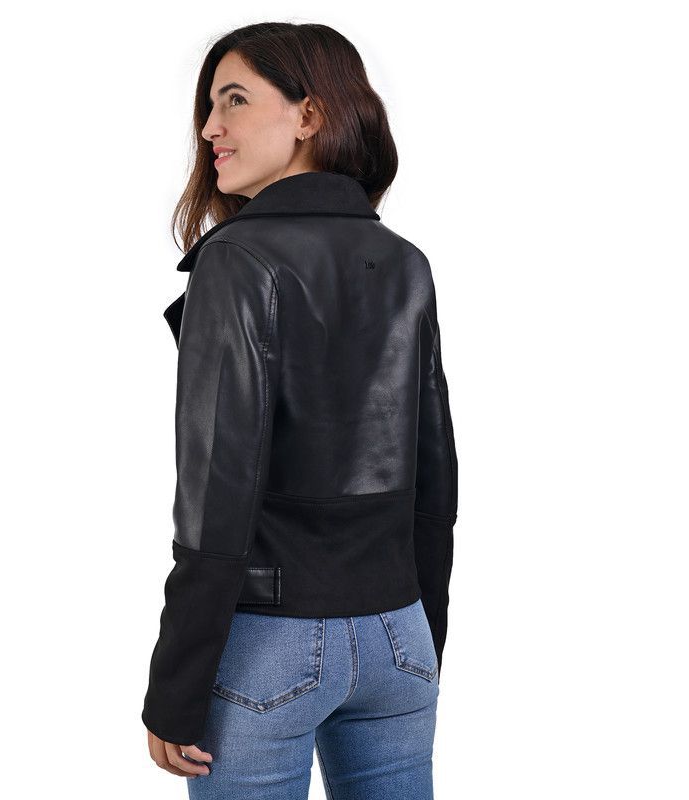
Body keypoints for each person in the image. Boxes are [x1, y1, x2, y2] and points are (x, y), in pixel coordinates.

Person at [142, 22, 458, 800]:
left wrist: (175, 686)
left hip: (270, 646)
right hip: (399, 632)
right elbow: (436, 479)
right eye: (209, 106)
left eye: (234, 100)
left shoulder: (236, 259)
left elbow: (215, 497)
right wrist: (422, 644)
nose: (209, 128)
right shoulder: (406, 261)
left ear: (309, 115)